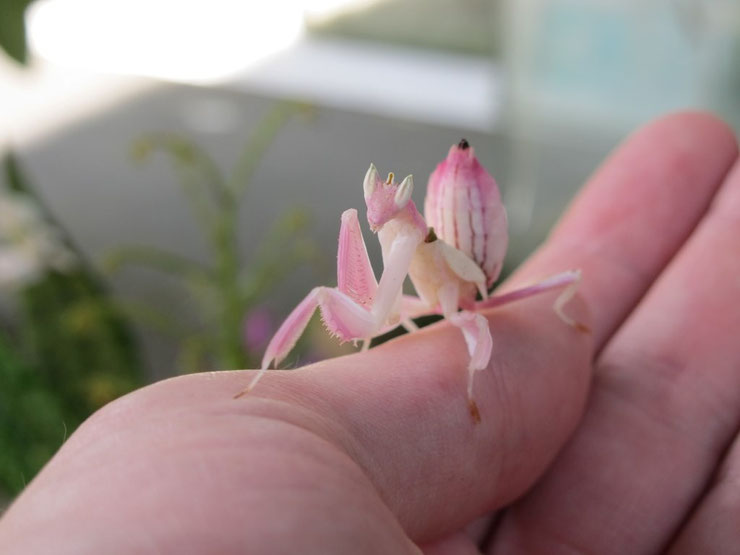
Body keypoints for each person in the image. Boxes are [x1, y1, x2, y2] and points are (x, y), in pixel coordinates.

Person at [0, 112, 737, 554]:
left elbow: (476, 334)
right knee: (367, 294)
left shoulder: (437, 249)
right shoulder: (396, 237)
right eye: (379, 215)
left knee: (544, 294)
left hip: (472, 274)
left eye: (391, 217)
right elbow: (368, 298)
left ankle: (271, 374)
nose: (381, 221)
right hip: (446, 272)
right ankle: (266, 374)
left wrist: (478, 394)